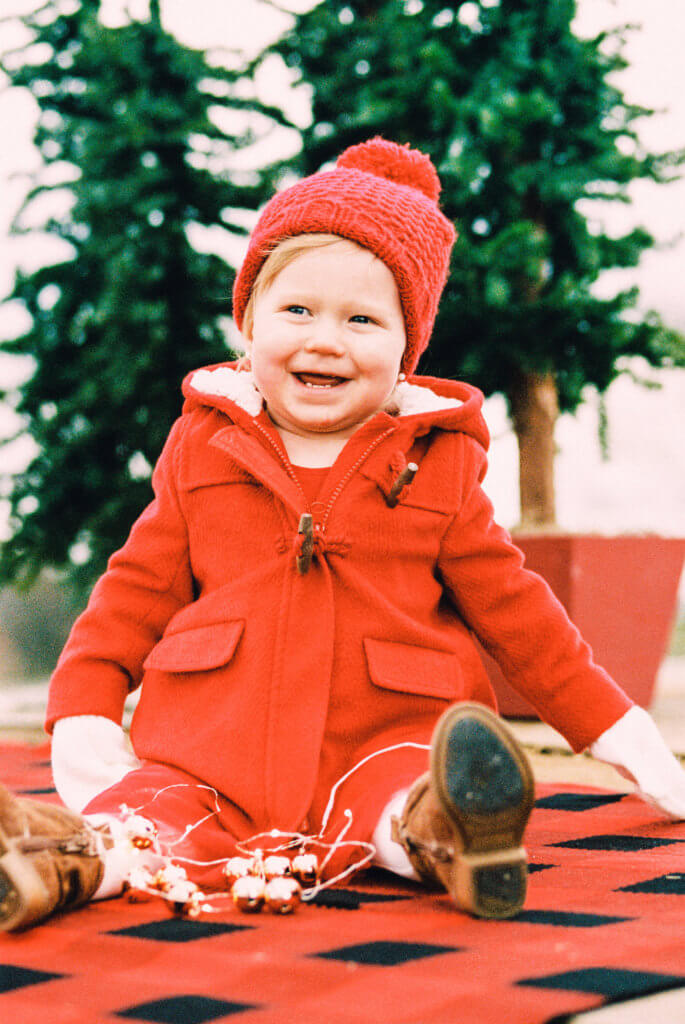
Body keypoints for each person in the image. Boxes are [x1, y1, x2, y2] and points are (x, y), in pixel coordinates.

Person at [2, 138, 684, 933]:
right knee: (150, 815)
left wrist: (621, 735)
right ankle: (55, 862)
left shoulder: (438, 463)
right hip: (207, 746)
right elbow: (133, 593)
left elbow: (521, 620)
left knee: (397, 795)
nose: (325, 339)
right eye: (296, 311)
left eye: (362, 319)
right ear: (247, 325)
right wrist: (84, 708)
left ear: (405, 352)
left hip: (382, 733)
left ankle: (453, 828)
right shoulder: (201, 448)